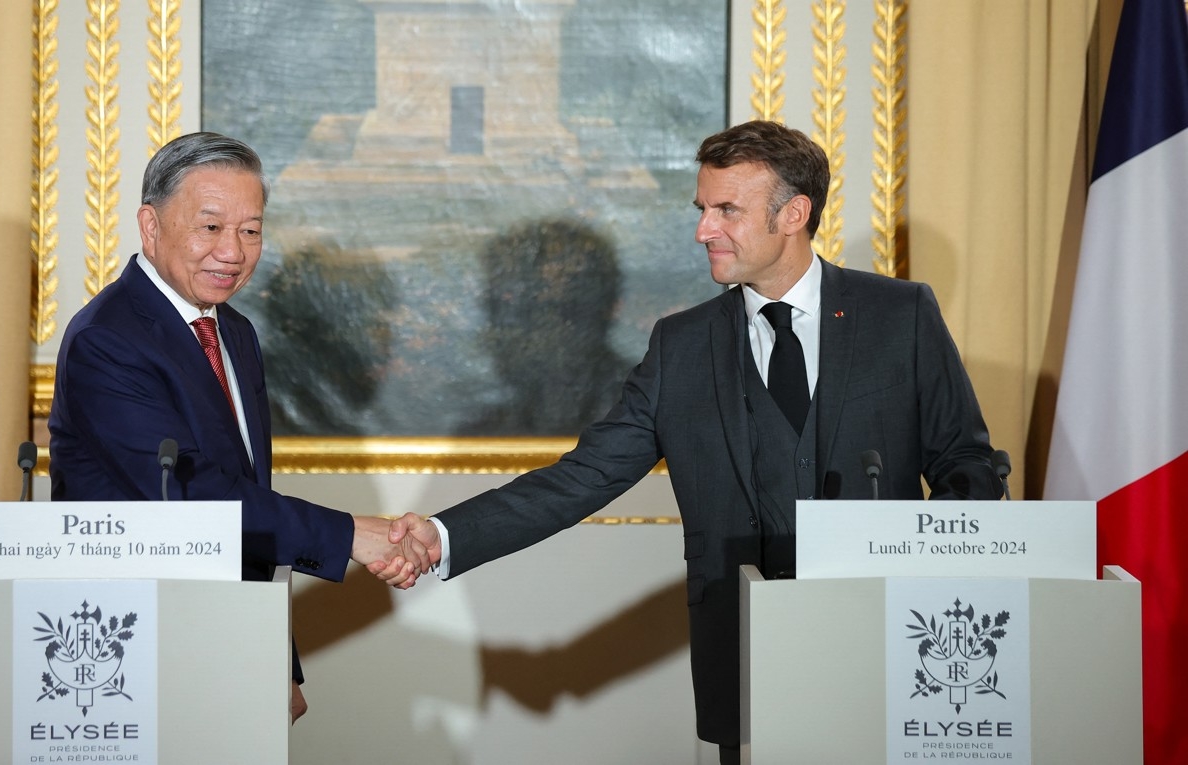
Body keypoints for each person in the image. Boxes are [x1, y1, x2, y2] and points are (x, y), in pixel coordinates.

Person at [380, 120, 1002, 762]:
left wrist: (940, 583)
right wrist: (441, 535)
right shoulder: (680, 347)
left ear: (793, 213)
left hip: (892, 646)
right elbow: (582, 478)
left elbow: (966, 463)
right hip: (744, 654)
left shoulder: (900, 315)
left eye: (726, 210)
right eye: (703, 210)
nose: (704, 230)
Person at [48, 131, 430, 723]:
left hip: (228, 639)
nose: (233, 251)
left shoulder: (233, 332)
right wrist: (351, 533)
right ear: (150, 227)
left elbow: (248, 504)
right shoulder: (109, 340)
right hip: (125, 652)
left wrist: (278, 658)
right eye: (210, 227)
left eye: (250, 230)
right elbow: (195, 497)